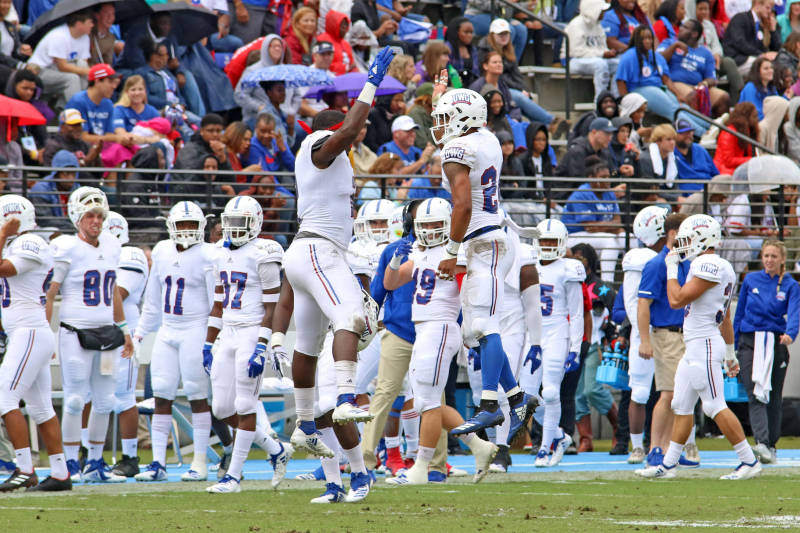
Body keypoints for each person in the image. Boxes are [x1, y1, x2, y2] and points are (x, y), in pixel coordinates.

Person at [282, 48, 396, 504]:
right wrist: (369, 84)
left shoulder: (330, 159)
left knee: (307, 346)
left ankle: (307, 423)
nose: (356, 135)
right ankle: (345, 397)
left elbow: (352, 139)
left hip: (308, 251)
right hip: (317, 250)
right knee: (351, 317)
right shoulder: (318, 146)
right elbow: (347, 129)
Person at [431, 83, 536, 441]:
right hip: (494, 237)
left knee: (484, 326)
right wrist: (441, 98)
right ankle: (517, 397)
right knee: (474, 329)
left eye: (446, 117)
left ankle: (490, 405)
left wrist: (449, 251)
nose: (441, 125)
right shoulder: (487, 138)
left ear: (462, 119)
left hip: (483, 242)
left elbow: (462, 205)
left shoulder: (459, 147)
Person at [636, 214, 763, 480]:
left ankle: (748, 460)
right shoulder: (719, 266)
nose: (682, 245)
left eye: (688, 238)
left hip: (703, 344)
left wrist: (671, 268)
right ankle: (668, 465)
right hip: (697, 344)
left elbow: (676, 299)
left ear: (702, 238)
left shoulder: (707, 263)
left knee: (714, 405)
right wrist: (730, 352)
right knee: (681, 405)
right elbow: (724, 317)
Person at [383, 198, 499, 484]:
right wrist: (396, 259)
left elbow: (467, 292)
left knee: (428, 402)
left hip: (441, 328)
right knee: (427, 400)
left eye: (437, 224)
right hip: (424, 331)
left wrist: (471, 330)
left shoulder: (457, 253)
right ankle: (479, 445)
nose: (432, 230)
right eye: (426, 225)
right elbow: (390, 283)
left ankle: (421, 468)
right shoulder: (421, 254)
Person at [204, 196, 293, 493]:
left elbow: (272, 308)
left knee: (244, 403)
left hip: (253, 331)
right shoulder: (218, 253)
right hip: (227, 333)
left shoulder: (264, 253)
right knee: (221, 407)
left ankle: (234, 476)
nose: (235, 229)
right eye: (230, 223)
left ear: (255, 223)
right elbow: (218, 303)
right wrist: (207, 344)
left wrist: (261, 345)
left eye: (241, 223)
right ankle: (276, 450)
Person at [46, 187, 134, 482]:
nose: (95, 221)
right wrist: (47, 332)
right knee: (73, 400)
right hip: (74, 333)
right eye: (89, 215)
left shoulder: (111, 245)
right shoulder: (66, 247)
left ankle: (95, 464)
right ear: (77, 217)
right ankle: (71, 463)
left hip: (107, 335)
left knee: (106, 400)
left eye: (99, 215)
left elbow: (113, 292)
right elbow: (49, 294)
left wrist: (124, 330)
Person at [133, 202, 218, 482]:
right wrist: (140, 333)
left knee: (197, 395)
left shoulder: (208, 255)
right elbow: (153, 301)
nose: (185, 231)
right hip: (168, 331)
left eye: (190, 225)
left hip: (195, 328)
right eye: (180, 225)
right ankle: (158, 463)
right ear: (171, 226)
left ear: (201, 226)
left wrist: (211, 339)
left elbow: (214, 303)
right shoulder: (161, 251)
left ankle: (200, 462)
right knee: (161, 395)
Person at [0, 195, 71, 492]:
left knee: (4, 398)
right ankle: (60, 473)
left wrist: (4, 233)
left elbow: (4, 269)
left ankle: (25, 468)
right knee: (42, 408)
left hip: (29, 330)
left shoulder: (30, 243)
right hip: (26, 331)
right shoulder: (16, 243)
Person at [637, 212, 696, 468]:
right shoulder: (656, 264)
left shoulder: (683, 262)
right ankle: (655, 449)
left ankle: (669, 449)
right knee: (668, 394)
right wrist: (644, 340)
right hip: (666, 335)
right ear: (673, 234)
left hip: (683, 335)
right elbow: (643, 304)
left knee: (679, 395)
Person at [733, 240, 799, 464]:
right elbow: (739, 313)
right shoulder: (750, 279)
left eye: (773, 256)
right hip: (750, 342)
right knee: (755, 393)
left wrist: (791, 334)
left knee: (774, 396)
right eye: (766, 256)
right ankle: (761, 442)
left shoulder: (790, 285)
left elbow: (795, 312)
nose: (769, 260)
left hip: (775, 343)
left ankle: (771, 444)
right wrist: (732, 347)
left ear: (782, 259)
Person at [526, 219, 585, 466]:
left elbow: (577, 311)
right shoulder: (527, 264)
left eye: (552, 241)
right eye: (544, 241)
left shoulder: (568, 268)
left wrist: (575, 348)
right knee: (525, 396)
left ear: (562, 243)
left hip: (557, 331)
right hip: (533, 335)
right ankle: (559, 436)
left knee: (550, 392)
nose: (548, 245)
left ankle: (545, 448)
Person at [101, 213, 148, 479]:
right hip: (100, 338)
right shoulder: (96, 254)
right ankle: (91, 456)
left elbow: (118, 294)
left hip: (124, 340)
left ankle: (130, 458)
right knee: (96, 396)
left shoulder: (131, 254)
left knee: (123, 396)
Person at [622, 205, 669, 464]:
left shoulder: (673, 254)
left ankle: (686, 443)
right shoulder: (639, 259)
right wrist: (645, 334)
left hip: (670, 331)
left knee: (678, 391)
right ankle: (638, 446)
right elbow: (633, 303)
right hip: (647, 334)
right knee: (639, 393)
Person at [616, 25, 708, 136]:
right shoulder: (629, 56)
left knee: (683, 107)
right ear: (637, 40)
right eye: (644, 38)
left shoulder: (656, 56)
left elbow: (666, 79)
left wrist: (678, 94)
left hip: (658, 88)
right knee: (673, 110)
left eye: (650, 38)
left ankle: (710, 126)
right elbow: (620, 81)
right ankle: (702, 133)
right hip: (639, 90)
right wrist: (627, 102)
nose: (648, 41)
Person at [478, 21, 559, 128]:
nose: (504, 37)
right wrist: (519, 91)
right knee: (519, 98)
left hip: (507, 87)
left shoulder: (508, 51)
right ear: (492, 35)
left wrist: (523, 89)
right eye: (500, 34)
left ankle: (548, 126)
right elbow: (497, 77)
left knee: (523, 98)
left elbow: (517, 75)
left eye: (506, 34)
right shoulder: (485, 52)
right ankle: (552, 121)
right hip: (491, 87)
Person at [562, 155, 626, 282]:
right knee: (610, 242)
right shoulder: (581, 193)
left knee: (630, 238)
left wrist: (613, 227)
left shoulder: (608, 192)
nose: (607, 181)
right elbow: (590, 227)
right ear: (591, 178)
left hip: (599, 234)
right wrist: (612, 226)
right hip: (573, 235)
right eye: (603, 178)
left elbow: (618, 222)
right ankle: (608, 284)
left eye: (608, 177)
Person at [657, 19, 730, 117]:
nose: (681, 28)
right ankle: (701, 129)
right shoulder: (669, 43)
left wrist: (705, 83)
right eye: (682, 26)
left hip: (698, 87)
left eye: (685, 27)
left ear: (694, 34)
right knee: (693, 96)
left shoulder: (706, 53)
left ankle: (718, 129)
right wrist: (675, 46)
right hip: (675, 84)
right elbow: (657, 60)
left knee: (724, 98)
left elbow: (712, 79)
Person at [27, 9, 93, 107]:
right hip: (40, 71)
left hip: (58, 71)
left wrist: (88, 71)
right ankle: (77, 110)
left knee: (82, 68)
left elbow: (83, 63)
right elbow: (62, 66)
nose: (92, 25)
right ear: (79, 24)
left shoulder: (84, 37)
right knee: (72, 79)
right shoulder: (59, 36)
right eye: (90, 22)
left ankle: (62, 107)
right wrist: (90, 71)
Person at [563, 0, 621, 102]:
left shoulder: (598, 26)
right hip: (572, 61)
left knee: (618, 64)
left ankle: (616, 98)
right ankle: (600, 100)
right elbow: (576, 51)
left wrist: (608, 52)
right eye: (601, 10)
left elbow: (601, 48)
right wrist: (602, 54)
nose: (603, 13)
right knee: (600, 64)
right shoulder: (576, 24)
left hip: (593, 59)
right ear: (592, 9)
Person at [171, 113, 231, 204]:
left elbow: (230, 180)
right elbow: (189, 177)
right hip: (186, 195)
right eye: (210, 131)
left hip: (212, 192)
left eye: (218, 131)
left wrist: (223, 158)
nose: (215, 134)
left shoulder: (220, 148)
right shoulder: (190, 149)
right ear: (202, 131)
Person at [695, 0, 744, 103]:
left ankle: (736, 100)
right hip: (699, 59)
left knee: (728, 62)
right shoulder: (689, 24)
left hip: (713, 58)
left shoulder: (709, 25)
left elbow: (716, 44)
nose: (704, 12)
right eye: (701, 9)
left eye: (706, 9)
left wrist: (716, 54)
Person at [739, 57, 791, 151]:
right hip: (751, 127)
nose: (770, 71)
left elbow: (777, 105)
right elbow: (754, 113)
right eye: (766, 68)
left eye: (771, 68)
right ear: (758, 72)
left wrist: (786, 98)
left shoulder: (771, 88)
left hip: (767, 125)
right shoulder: (750, 87)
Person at [722, 0, 781, 76]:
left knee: (778, 62)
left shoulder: (760, 24)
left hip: (752, 58)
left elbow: (777, 48)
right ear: (758, 4)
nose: (770, 11)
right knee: (766, 66)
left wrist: (773, 30)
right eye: (767, 8)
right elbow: (739, 42)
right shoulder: (740, 18)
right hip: (737, 59)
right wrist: (762, 54)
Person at [29, 150, 80, 230]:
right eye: (66, 173)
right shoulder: (41, 189)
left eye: (73, 173)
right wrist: (72, 227)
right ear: (56, 173)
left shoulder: (77, 189)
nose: (71, 178)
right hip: (47, 231)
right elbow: (45, 221)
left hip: (72, 229)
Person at [556, 117, 622, 177]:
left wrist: (619, 171)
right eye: (607, 133)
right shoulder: (577, 151)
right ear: (594, 132)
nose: (610, 138)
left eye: (611, 134)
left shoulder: (603, 152)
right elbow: (579, 182)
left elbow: (608, 173)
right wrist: (610, 190)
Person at [674, 119, 719, 191]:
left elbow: (715, 174)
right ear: (674, 135)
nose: (688, 135)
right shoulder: (671, 153)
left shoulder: (700, 149)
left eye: (689, 132)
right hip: (687, 193)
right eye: (684, 133)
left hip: (708, 190)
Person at [713, 101, 758, 174]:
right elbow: (728, 161)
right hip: (725, 171)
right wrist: (752, 160)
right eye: (754, 116)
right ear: (746, 117)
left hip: (740, 170)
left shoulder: (748, 131)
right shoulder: (729, 133)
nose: (757, 119)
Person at [318, 10, 356, 76]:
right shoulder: (323, 40)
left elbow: (352, 64)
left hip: (348, 77)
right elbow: (322, 63)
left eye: (346, 24)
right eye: (342, 24)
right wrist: (346, 68)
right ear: (333, 24)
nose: (344, 27)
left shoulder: (345, 43)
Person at [446, 17, 480, 88]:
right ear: (456, 32)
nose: (470, 35)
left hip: (471, 86)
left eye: (471, 32)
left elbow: (476, 73)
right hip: (452, 86)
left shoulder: (473, 50)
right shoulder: (448, 48)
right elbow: (446, 71)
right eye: (466, 32)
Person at [89, 3, 121, 67]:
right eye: (106, 13)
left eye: (113, 14)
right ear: (97, 15)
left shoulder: (111, 37)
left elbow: (108, 62)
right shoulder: (87, 34)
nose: (110, 17)